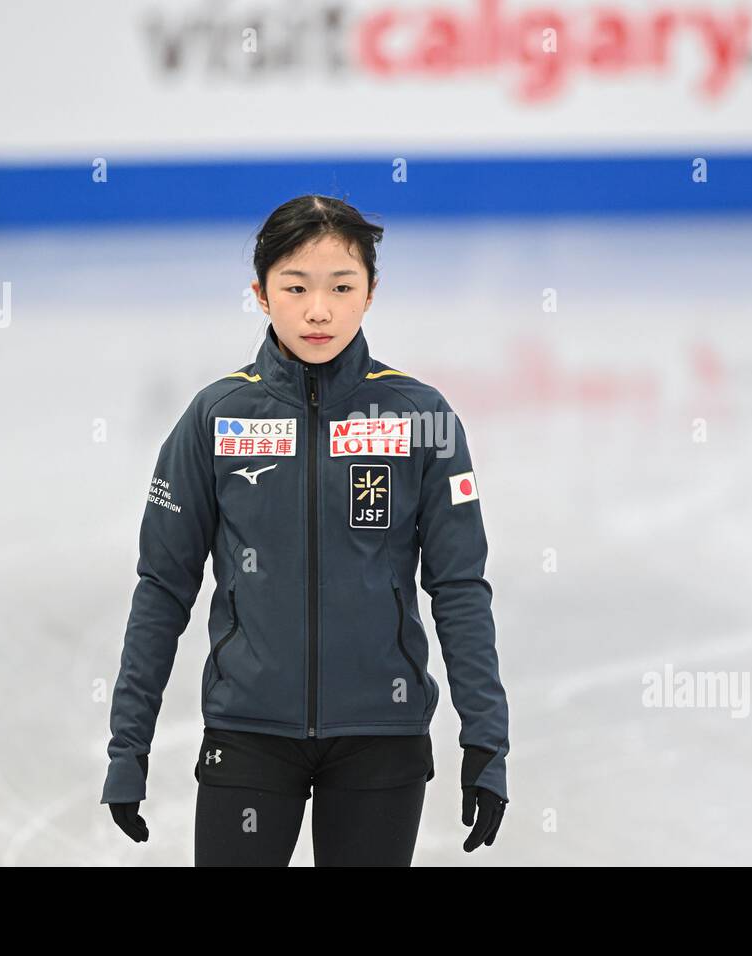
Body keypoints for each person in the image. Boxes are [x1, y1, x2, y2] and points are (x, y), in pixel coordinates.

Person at [100, 194, 510, 865]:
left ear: (371, 293)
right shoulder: (215, 419)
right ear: (261, 295)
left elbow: (460, 587)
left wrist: (486, 740)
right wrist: (128, 747)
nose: (318, 310)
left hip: (382, 737)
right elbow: (162, 588)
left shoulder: (424, 419)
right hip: (248, 736)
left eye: (341, 287)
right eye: (295, 287)